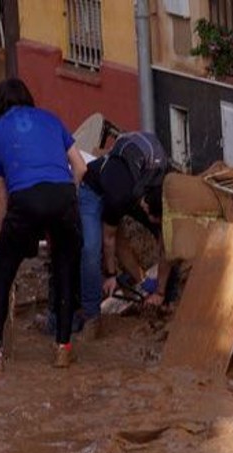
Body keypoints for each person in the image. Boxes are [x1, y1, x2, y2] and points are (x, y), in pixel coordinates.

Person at [0, 78, 86, 370]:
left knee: (2, 274)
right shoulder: (51, 119)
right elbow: (81, 167)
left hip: (23, 199)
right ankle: (63, 349)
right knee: (65, 271)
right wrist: (67, 201)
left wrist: (6, 230)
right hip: (63, 195)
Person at [80, 131, 172, 331]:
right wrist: (111, 274)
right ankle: (90, 315)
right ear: (145, 208)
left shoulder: (167, 189)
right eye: (153, 220)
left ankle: (144, 283)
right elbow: (111, 239)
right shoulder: (119, 196)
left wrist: (160, 292)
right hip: (92, 188)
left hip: (130, 181)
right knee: (91, 248)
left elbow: (166, 246)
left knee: (162, 236)